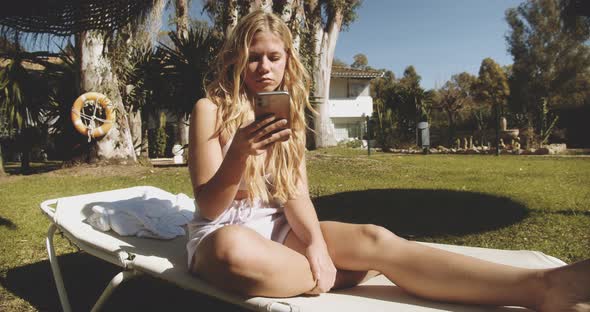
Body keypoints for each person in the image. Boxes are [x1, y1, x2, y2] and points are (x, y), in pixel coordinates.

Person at [186, 10, 590, 312]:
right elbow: (208, 206)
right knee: (231, 250)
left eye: (274, 57)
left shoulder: (286, 114)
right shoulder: (210, 109)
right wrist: (238, 152)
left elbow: (295, 194)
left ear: (287, 59)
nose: (264, 68)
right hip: (224, 233)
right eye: (254, 57)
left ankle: (543, 285)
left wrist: (315, 246)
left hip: (276, 230)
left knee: (374, 238)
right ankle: (357, 272)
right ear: (237, 59)